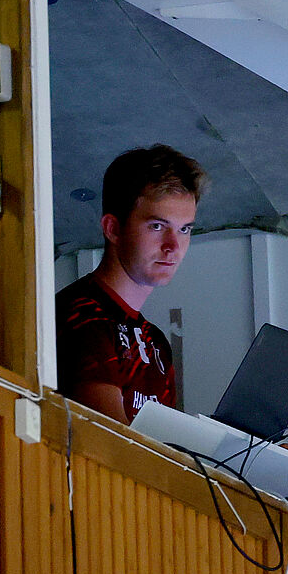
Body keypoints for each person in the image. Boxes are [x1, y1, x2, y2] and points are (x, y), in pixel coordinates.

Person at [56, 145, 206, 424]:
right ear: (113, 228)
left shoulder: (156, 341)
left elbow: (166, 448)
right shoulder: (82, 317)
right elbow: (115, 446)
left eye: (185, 229)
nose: (173, 246)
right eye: (157, 226)